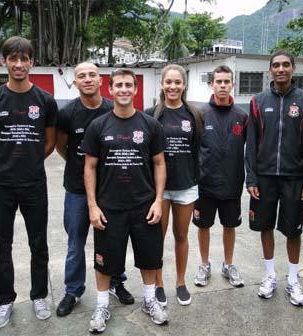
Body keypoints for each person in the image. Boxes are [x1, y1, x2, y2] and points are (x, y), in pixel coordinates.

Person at [82, 69, 168, 333]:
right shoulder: (98, 126)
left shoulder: (150, 125)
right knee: (105, 261)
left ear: (135, 89)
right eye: (118, 85)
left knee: (150, 258)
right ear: (110, 89)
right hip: (109, 208)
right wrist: (93, 205)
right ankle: (101, 305)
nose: (123, 89)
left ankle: (150, 301)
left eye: (128, 85)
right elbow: (89, 167)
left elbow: (159, 163)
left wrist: (158, 201)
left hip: (144, 206)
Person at [0, 36, 58, 328]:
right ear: (4, 61)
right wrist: (7, 164)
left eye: (24, 59)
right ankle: (4, 301)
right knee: (2, 244)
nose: (18, 64)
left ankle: (39, 295)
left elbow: (49, 142)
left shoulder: (45, 100)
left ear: (32, 62)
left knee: (38, 242)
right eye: (12, 58)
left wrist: (30, 162)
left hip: (34, 183)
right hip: (1, 184)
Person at [55, 62, 134, 317]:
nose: (87, 79)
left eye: (92, 75)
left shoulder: (113, 109)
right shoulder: (67, 114)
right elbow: (61, 146)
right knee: (76, 241)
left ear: (101, 81)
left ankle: (116, 281)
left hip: (111, 190)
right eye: (81, 76)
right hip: (77, 189)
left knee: (115, 239)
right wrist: (82, 164)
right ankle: (73, 290)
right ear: (75, 82)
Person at [245, 50, 303, 306]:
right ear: (270, 70)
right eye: (276, 65)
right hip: (264, 178)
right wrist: (251, 178)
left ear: (293, 68)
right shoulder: (258, 101)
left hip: (294, 178)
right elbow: (251, 143)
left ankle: (293, 280)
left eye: (286, 65)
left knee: (292, 230)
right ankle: (269, 276)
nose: (281, 69)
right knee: (265, 227)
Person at [146, 64, 203, 306]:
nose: (172, 86)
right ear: (162, 84)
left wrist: (195, 179)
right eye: (168, 82)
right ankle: (158, 284)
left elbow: (198, 150)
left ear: (184, 85)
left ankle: (180, 282)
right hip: (158, 190)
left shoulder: (195, 115)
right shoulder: (151, 115)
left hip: (185, 187)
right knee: (156, 238)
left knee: (181, 235)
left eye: (177, 82)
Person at [192, 65, 248, 288]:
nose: (223, 85)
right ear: (211, 84)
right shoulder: (200, 115)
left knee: (229, 226)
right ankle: (204, 265)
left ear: (232, 84)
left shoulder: (242, 117)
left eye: (227, 81)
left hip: (232, 184)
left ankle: (228, 264)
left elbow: (250, 150)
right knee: (203, 226)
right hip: (204, 184)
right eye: (219, 82)